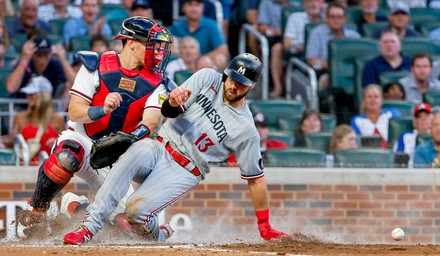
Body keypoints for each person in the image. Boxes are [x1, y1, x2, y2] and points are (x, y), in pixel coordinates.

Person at [63, 53, 291, 244]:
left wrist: (264, 225)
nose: (233, 85)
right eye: (232, 78)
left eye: (241, 83)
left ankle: (159, 235)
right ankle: (89, 228)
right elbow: (168, 111)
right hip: (160, 145)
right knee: (133, 151)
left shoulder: (246, 129)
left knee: (135, 213)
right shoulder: (207, 78)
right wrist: (172, 102)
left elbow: (256, 179)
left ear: (251, 87)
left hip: (185, 169)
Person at [16, 16, 174, 239]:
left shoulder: (157, 81)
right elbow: (75, 111)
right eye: (151, 44)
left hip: (116, 157)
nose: (157, 51)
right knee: (66, 157)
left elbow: (151, 121)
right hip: (83, 139)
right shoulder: (96, 65)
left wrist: (128, 138)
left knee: (128, 226)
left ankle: (75, 206)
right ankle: (35, 213)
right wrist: (102, 109)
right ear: (130, 42)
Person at [12, 76, 66, 165]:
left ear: (43, 96)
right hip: (24, 169)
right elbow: (13, 147)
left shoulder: (57, 119)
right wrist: (11, 139)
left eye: (32, 93)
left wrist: (56, 144)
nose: (27, 96)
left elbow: (65, 149)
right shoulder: (20, 117)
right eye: (28, 94)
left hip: (49, 170)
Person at [306, 3, 361, 90]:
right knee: (329, 81)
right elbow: (311, 59)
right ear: (326, 18)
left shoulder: (354, 36)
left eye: (339, 17)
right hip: (327, 73)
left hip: (353, 74)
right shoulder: (317, 33)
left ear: (344, 19)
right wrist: (332, 66)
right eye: (332, 17)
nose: (336, 20)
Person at [169, 0, 229, 71]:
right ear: (184, 8)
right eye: (190, 4)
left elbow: (223, 50)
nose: (194, 9)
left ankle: (215, 81)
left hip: (204, 65)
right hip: (181, 64)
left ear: (202, 7)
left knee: (221, 59)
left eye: (197, 5)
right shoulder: (178, 26)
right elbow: (162, 37)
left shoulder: (211, 25)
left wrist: (199, 59)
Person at [6, 34, 69, 101]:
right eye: (39, 55)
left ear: (50, 54)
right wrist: (25, 59)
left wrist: (63, 60)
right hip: (23, 107)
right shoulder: (24, 64)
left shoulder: (55, 65)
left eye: (46, 55)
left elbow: (75, 86)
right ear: (32, 54)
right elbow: (10, 88)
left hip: (48, 108)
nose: (42, 60)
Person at [351, 84, 401, 148]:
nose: (373, 100)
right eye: (369, 97)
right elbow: (357, 143)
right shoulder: (356, 120)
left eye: (376, 97)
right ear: (363, 101)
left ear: (382, 100)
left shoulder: (392, 114)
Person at [394, 102, 433, 167]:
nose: (423, 119)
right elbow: (398, 159)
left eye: (426, 116)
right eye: (419, 117)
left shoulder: (437, 136)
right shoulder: (405, 136)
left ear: (432, 119)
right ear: (414, 122)